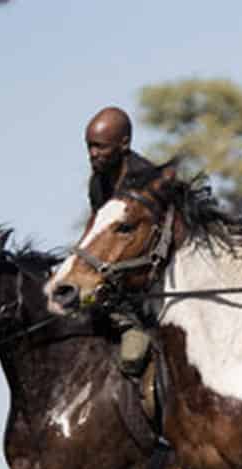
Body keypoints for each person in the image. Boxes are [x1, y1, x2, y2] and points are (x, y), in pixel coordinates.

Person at [84, 107, 159, 378]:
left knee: (132, 355)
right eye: (89, 146)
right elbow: (95, 229)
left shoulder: (147, 182)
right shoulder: (98, 182)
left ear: (124, 144)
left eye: (100, 147)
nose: (93, 154)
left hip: (146, 285)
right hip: (115, 280)